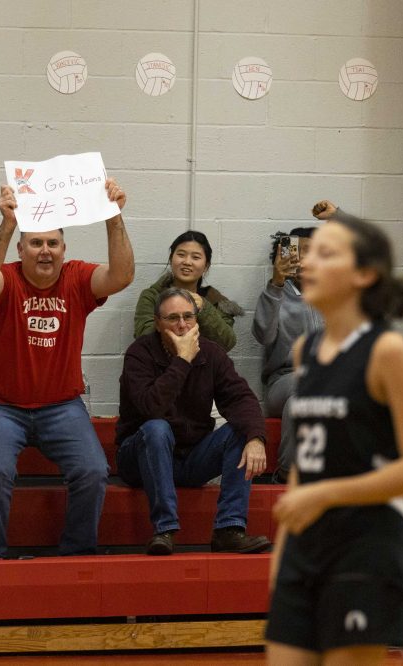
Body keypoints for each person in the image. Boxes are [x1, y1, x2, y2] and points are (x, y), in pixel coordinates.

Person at [265, 217, 403, 664]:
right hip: (306, 548)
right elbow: (306, 462)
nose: (308, 261)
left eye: (327, 253)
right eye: (309, 252)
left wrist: (327, 493)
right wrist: (283, 552)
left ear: (364, 274)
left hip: (366, 547)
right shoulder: (306, 351)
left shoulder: (387, 351)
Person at [0, 180, 134, 558]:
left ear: (63, 249)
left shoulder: (77, 277)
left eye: (53, 243)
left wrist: (113, 217)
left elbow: (122, 275)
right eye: (36, 243)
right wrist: (8, 223)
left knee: (93, 472)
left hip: (61, 406)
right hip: (0, 406)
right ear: (21, 249)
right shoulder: (6, 279)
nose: (45, 251)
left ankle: (76, 555)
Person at [117, 288, 271, 556]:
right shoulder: (139, 354)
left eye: (188, 316)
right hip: (140, 457)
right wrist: (183, 360)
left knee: (240, 431)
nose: (182, 325)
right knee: (157, 428)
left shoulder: (212, 353)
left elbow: (241, 398)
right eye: (173, 318)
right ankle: (164, 529)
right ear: (157, 323)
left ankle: (228, 530)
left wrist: (256, 437)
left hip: (191, 457)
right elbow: (152, 407)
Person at [252, 227, 322, 482]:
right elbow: (263, 335)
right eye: (298, 252)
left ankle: (286, 475)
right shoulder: (275, 295)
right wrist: (276, 285)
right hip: (284, 381)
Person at [133, 231, 243, 350]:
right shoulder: (152, 296)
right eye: (181, 255)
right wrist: (172, 310)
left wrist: (204, 310)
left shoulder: (217, 302)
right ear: (171, 259)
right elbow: (143, 338)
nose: (187, 262)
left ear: (206, 266)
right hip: (161, 367)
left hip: (204, 367)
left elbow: (227, 344)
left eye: (195, 257)